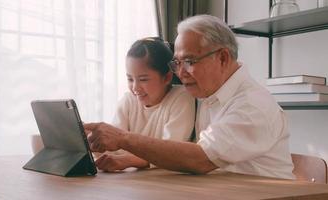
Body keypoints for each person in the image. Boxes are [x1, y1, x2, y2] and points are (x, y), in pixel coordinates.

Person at [85, 15, 294, 179]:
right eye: (177, 63)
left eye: (190, 61)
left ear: (222, 58)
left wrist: (123, 138)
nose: (180, 73)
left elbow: (200, 159)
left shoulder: (252, 105)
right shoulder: (208, 94)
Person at [94, 37, 196, 172]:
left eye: (143, 79)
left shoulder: (182, 98)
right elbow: (114, 147)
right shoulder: (128, 100)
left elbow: (172, 153)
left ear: (167, 77)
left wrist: (129, 161)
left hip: (167, 180)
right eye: (130, 79)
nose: (135, 88)